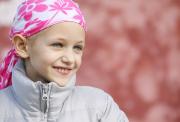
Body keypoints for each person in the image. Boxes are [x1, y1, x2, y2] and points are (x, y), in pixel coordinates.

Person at [0, 0, 129, 121]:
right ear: (22, 46)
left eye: (77, 48)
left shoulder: (100, 108)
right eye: (58, 45)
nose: (70, 59)